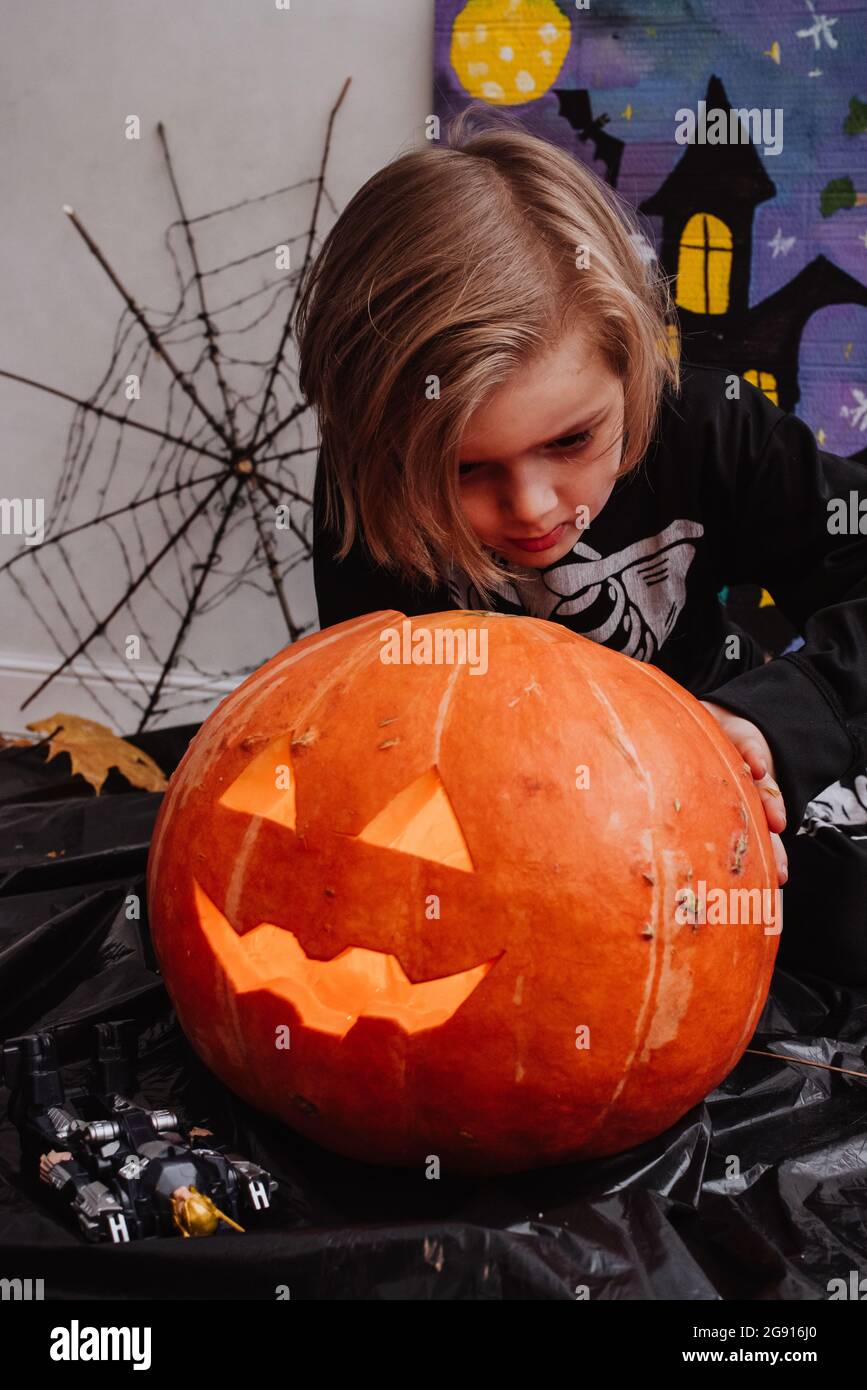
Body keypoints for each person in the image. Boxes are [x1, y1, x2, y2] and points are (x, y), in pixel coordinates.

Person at [294, 104, 867, 984]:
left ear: (630, 368)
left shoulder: (709, 428)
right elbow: (383, 746)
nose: (530, 508)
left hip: (728, 779)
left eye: (570, 442)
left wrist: (774, 721)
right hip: (517, 834)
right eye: (463, 469)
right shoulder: (364, 504)